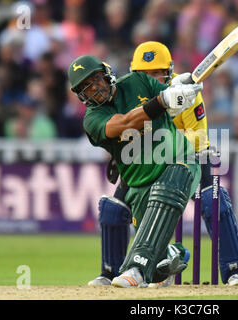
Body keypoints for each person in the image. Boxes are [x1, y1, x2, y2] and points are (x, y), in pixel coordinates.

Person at [88, 41, 238, 287]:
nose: (152, 78)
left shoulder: (187, 91)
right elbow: (127, 127)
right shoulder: (131, 92)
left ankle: (234, 270)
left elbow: (198, 137)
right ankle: (116, 272)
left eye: (157, 73)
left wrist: (168, 127)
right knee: (113, 208)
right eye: (145, 74)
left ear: (169, 71)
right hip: (144, 160)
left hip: (188, 158)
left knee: (212, 202)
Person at [67, 54, 203, 288]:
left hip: (180, 159)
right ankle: (173, 254)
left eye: (97, 80)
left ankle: (134, 269)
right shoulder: (93, 119)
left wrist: (180, 90)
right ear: (81, 96)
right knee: (157, 266)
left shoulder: (137, 81)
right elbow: (126, 123)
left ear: (107, 73)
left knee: (172, 180)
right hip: (139, 182)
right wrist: (162, 101)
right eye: (86, 88)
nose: (95, 89)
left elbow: (169, 94)